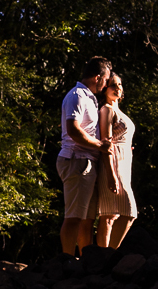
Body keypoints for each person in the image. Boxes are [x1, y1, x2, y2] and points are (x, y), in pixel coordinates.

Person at [57, 57, 111, 256]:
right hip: (77, 160)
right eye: (105, 80)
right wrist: (100, 145)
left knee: (86, 218)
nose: (106, 85)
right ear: (97, 78)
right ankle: (67, 261)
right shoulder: (77, 95)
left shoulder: (88, 97)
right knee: (73, 217)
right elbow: (73, 130)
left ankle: (83, 262)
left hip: (86, 162)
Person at [95, 71, 139, 249]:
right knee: (121, 213)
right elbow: (106, 142)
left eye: (119, 85)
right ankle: (107, 254)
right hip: (112, 164)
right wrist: (111, 174)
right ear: (105, 89)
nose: (117, 88)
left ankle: (105, 255)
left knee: (114, 214)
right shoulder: (106, 109)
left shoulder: (118, 110)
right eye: (112, 85)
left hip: (124, 163)